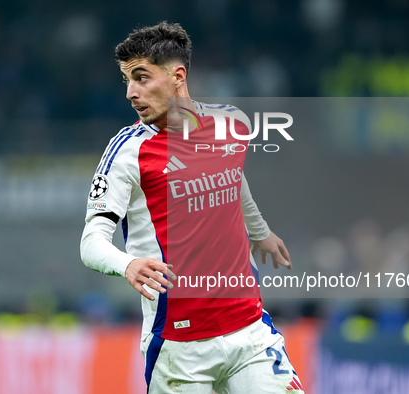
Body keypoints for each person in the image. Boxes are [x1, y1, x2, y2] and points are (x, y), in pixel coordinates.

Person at [80, 22, 304, 393]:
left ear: (177, 76)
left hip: (250, 332)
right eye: (126, 81)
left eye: (140, 78)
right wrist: (128, 264)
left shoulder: (231, 122)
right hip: (178, 347)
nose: (130, 93)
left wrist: (260, 231)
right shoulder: (127, 152)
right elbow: (90, 241)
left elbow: (233, 178)